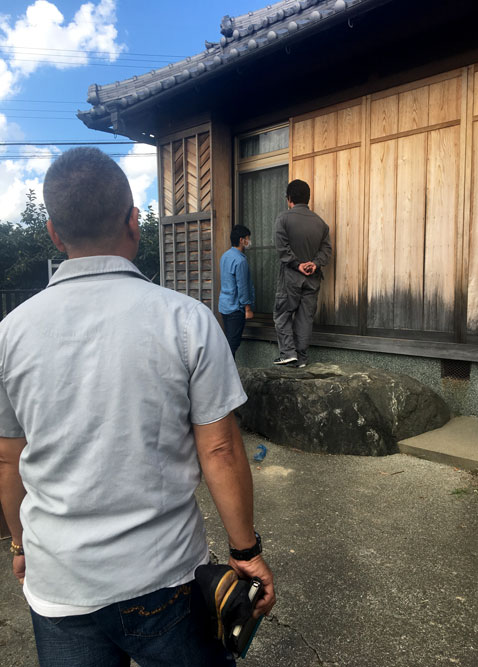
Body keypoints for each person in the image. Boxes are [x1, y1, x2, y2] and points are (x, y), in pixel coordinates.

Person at [0, 148, 275, 667]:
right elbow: (219, 449)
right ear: (134, 222)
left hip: (59, 580)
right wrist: (245, 552)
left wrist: (20, 545)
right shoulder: (187, 321)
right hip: (164, 575)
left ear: (54, 234)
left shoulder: (9, 334)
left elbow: (8, 459)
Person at [273, 179, 332, 367]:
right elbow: (326, 250)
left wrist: (297, 265)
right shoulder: (320, 223)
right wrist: (314, 264)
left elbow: (282, 248)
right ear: (308, 198)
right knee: (305, 318)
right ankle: (302, 358)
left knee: (282, 313)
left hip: (290, 277)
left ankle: (288, 353)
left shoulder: (283, 219)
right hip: (312, 278)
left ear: (289, 198)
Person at [218, 225, 255, 358]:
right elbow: (243, 287)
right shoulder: (240, 260)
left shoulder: (225, 256)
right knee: (232, 344)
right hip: (235, 308)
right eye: (248, 238)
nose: (249, 241)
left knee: (228, 341)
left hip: (224, 305)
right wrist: (248, 309)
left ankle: (226, 368)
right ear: (241, 240)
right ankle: (226, 369)